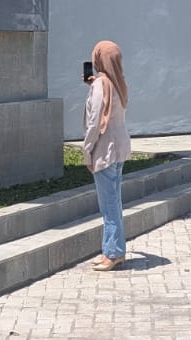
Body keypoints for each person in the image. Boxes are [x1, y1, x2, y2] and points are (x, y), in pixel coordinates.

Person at [82, 38, 131, 272]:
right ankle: (111, 249)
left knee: (108, 204)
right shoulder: (118, 83)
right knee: (115, 200)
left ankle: (113, 253)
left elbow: (93, 123)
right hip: (120, 148)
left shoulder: (100, 86)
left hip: (105, 150)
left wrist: (87, 150)